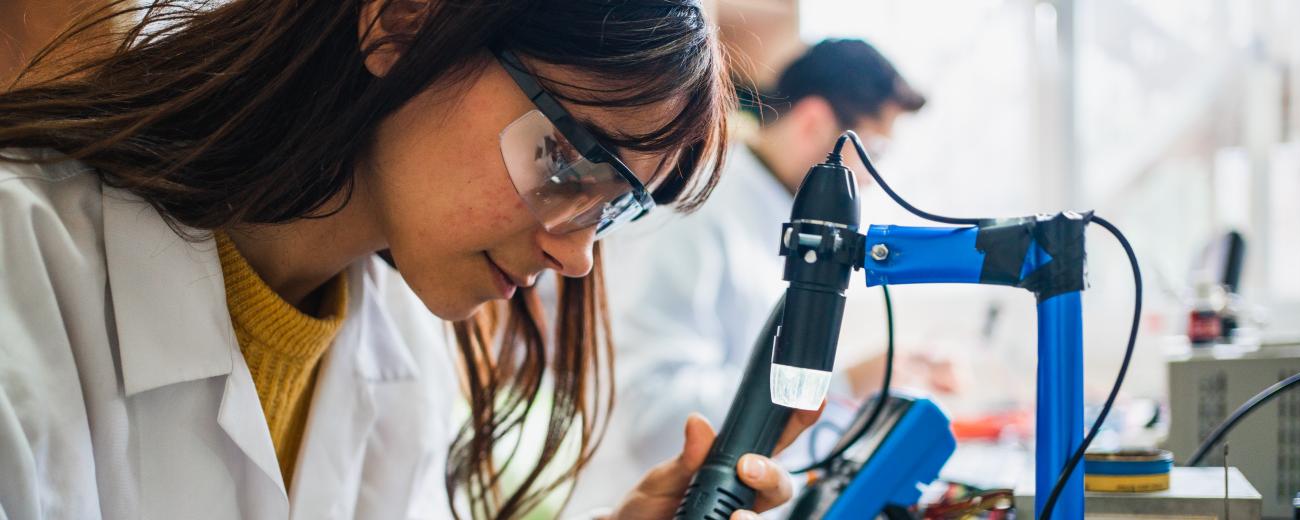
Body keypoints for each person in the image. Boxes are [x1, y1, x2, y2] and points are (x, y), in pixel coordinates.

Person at [0, 1, 819, 519]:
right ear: (403, 24)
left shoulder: (399, 352)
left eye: (613, 207)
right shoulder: (21, 265)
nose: (576, 257)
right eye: (571, 161)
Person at [572, 39, 929, 506]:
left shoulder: (770, 213)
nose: (867, 180)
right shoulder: (695, 210)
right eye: (874, 152)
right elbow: (653, 414)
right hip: (640, 504)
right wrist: (839, 382)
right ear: (814, 123)